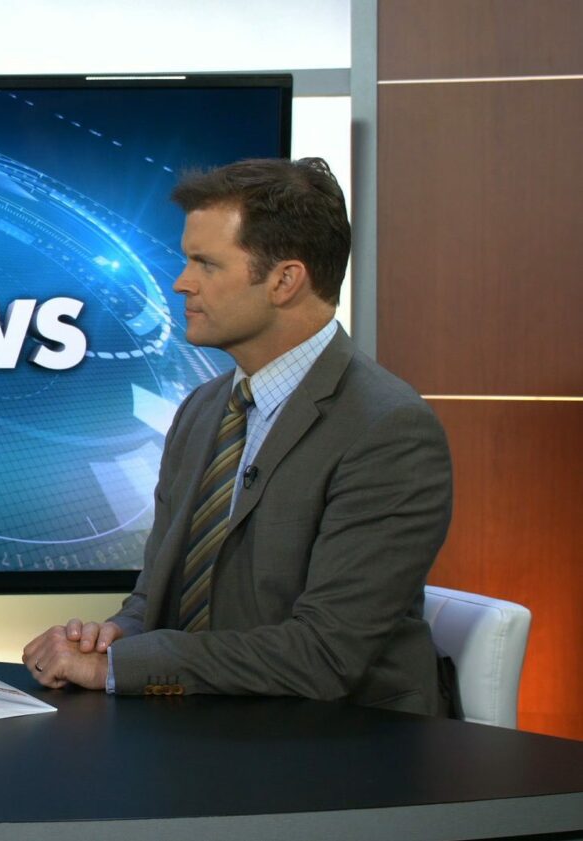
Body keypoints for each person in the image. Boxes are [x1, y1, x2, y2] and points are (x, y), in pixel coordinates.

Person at [23, 158, 453, 716]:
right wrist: (111, 639)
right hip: (202, 722)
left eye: (205, 263)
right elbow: (156, 599)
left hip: (340, 740)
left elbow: (324, 655)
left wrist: (122, 668)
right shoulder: (203, 409)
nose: (181, 282)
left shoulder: (389, 430)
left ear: (284, 281)